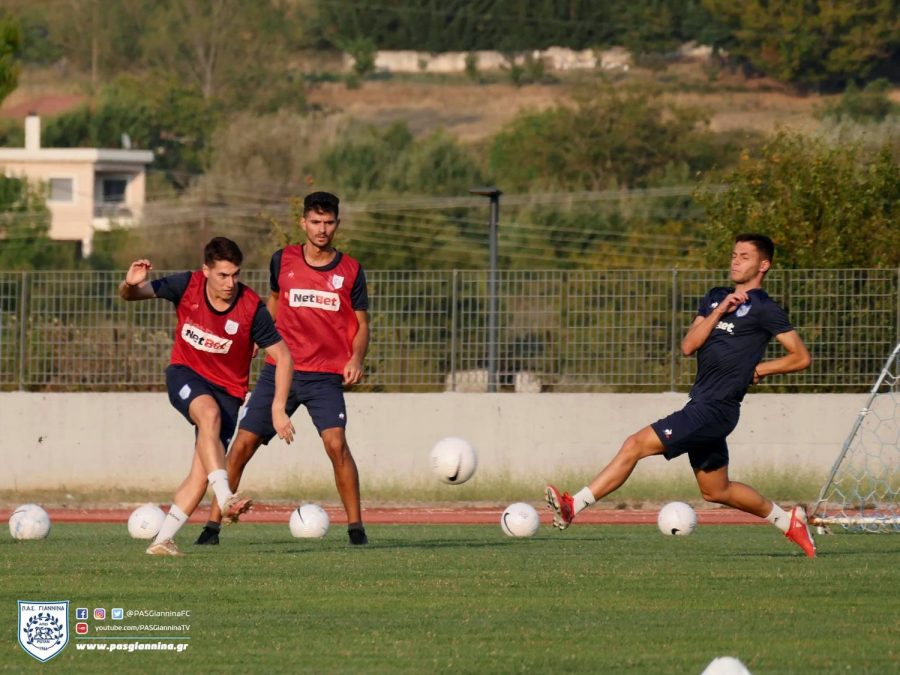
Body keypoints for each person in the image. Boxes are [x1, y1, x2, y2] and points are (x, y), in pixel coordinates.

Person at [545, 233, 817, 556]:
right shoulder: (717, 297)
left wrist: (759, 370)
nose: (735, 260)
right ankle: (789, 521)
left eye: (744, 256)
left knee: (635, 444)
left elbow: (800, 357)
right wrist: (719, 312)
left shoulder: (765, 308)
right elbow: (689, 346)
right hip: (702, 404)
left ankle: (573, 505)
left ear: (764, 265)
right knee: (717, 491)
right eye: (733, 254)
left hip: (716, 409)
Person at [195, 191, 371, 546]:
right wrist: (258, 339)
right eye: (316, 222)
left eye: (329, 222)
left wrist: (355, 358)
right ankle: (211, 527)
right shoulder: (283, 260)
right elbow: (273, 303)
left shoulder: (351, 271)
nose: (322, 229)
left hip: (324, 375)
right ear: (303, 223)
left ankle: (356, 530)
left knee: (336, 445)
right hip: (280, 371)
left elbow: (362, 324)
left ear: (337, 224)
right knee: (242, 445)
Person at [120, 237, 295, 556]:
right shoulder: (186, 285)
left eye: (235, 275)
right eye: (222, 275)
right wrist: (129, 284)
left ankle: (161, 541)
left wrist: (279, 408)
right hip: (185, 375)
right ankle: (226, 496)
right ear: (205, 271)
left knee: (200, 476)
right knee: (208, 414)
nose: (230, 283)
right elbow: (133, 294)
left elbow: (283, 357)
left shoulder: (251, 307)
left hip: (229, 393)